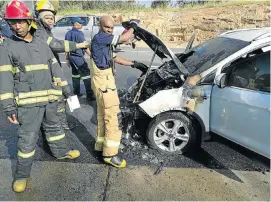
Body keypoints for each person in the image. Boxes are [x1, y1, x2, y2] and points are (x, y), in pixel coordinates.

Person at [0, 0, 80, 193]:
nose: (17, 26)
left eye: (20, 21)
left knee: (55, 130)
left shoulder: (41, 41)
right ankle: (21, 176)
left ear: (30, 21)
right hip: (28, 105)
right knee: (26, 140)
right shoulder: (8, 47)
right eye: (13, 22)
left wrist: (67, 91)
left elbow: (54, 68)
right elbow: (5, 79)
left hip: (50, 99)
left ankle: (61, 153)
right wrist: (9, 106)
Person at [90, 16, 148, 168]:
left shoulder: (105, 41)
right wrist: (134, 26)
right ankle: (110, 155)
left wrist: (135, 64)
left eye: (111, 28)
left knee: (103, 115)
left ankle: (100, 145)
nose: (109, 30)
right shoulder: (101, 38)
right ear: (100, 26)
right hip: (104, 84)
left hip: (101, 83)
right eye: (106, 27)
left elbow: (114, 58)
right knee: (114, 118)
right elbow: (125, 37)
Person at [34, 0, 91, 130]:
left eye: (51, 18)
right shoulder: (39, 32)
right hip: (47, 72)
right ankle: (54, 126)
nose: (50, 21)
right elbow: (56, 45)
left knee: (64, 94)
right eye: (47, 18)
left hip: (55, 68)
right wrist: (79, 45)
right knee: (58, 97)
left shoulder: (46, 31)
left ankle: (63, 124)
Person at [65, 17, 95, 101]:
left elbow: (66, 47)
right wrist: (92, 56)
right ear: (75, 24)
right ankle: (90, 95)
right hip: (78, 58)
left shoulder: (68, 33)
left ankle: (76, 92)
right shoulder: (79, 34)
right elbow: (85, 47)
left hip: (72, 58)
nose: (82, 24)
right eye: (80, 23)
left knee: (75, 75)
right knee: (86, 75)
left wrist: (67, 59)